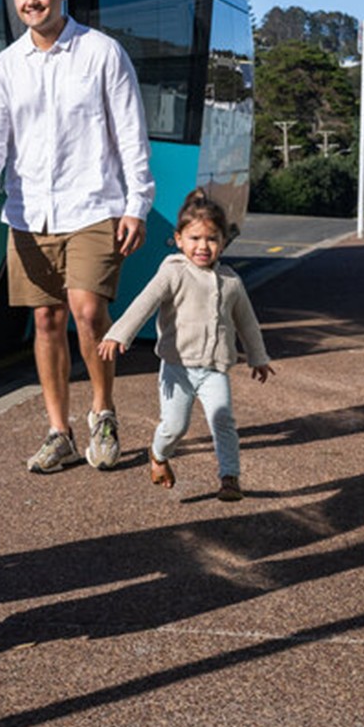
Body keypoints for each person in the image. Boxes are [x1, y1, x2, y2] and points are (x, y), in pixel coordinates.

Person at [0, 0, 154, 474]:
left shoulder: (102, 53)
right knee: (45, 321)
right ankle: (58, 431)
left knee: (88, 312)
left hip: (94, 204)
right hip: (29, 213)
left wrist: (138, 202)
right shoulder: (6, 66)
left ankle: (103, 412)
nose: (32, 1)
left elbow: (131, 133)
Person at [97, 189, 274, 501]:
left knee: (223, 420)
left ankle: (229, 477)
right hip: (177, 368)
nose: (203, 246)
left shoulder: (231, 281)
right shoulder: (173, 272)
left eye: (211, 239)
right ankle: (158, 455)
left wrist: (257, 357)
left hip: (214, 370)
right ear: (179, 239)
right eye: (194, 238)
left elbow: (247, 322)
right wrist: (118, 334)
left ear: (223, 242)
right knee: (174, 427)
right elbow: (145, 302)